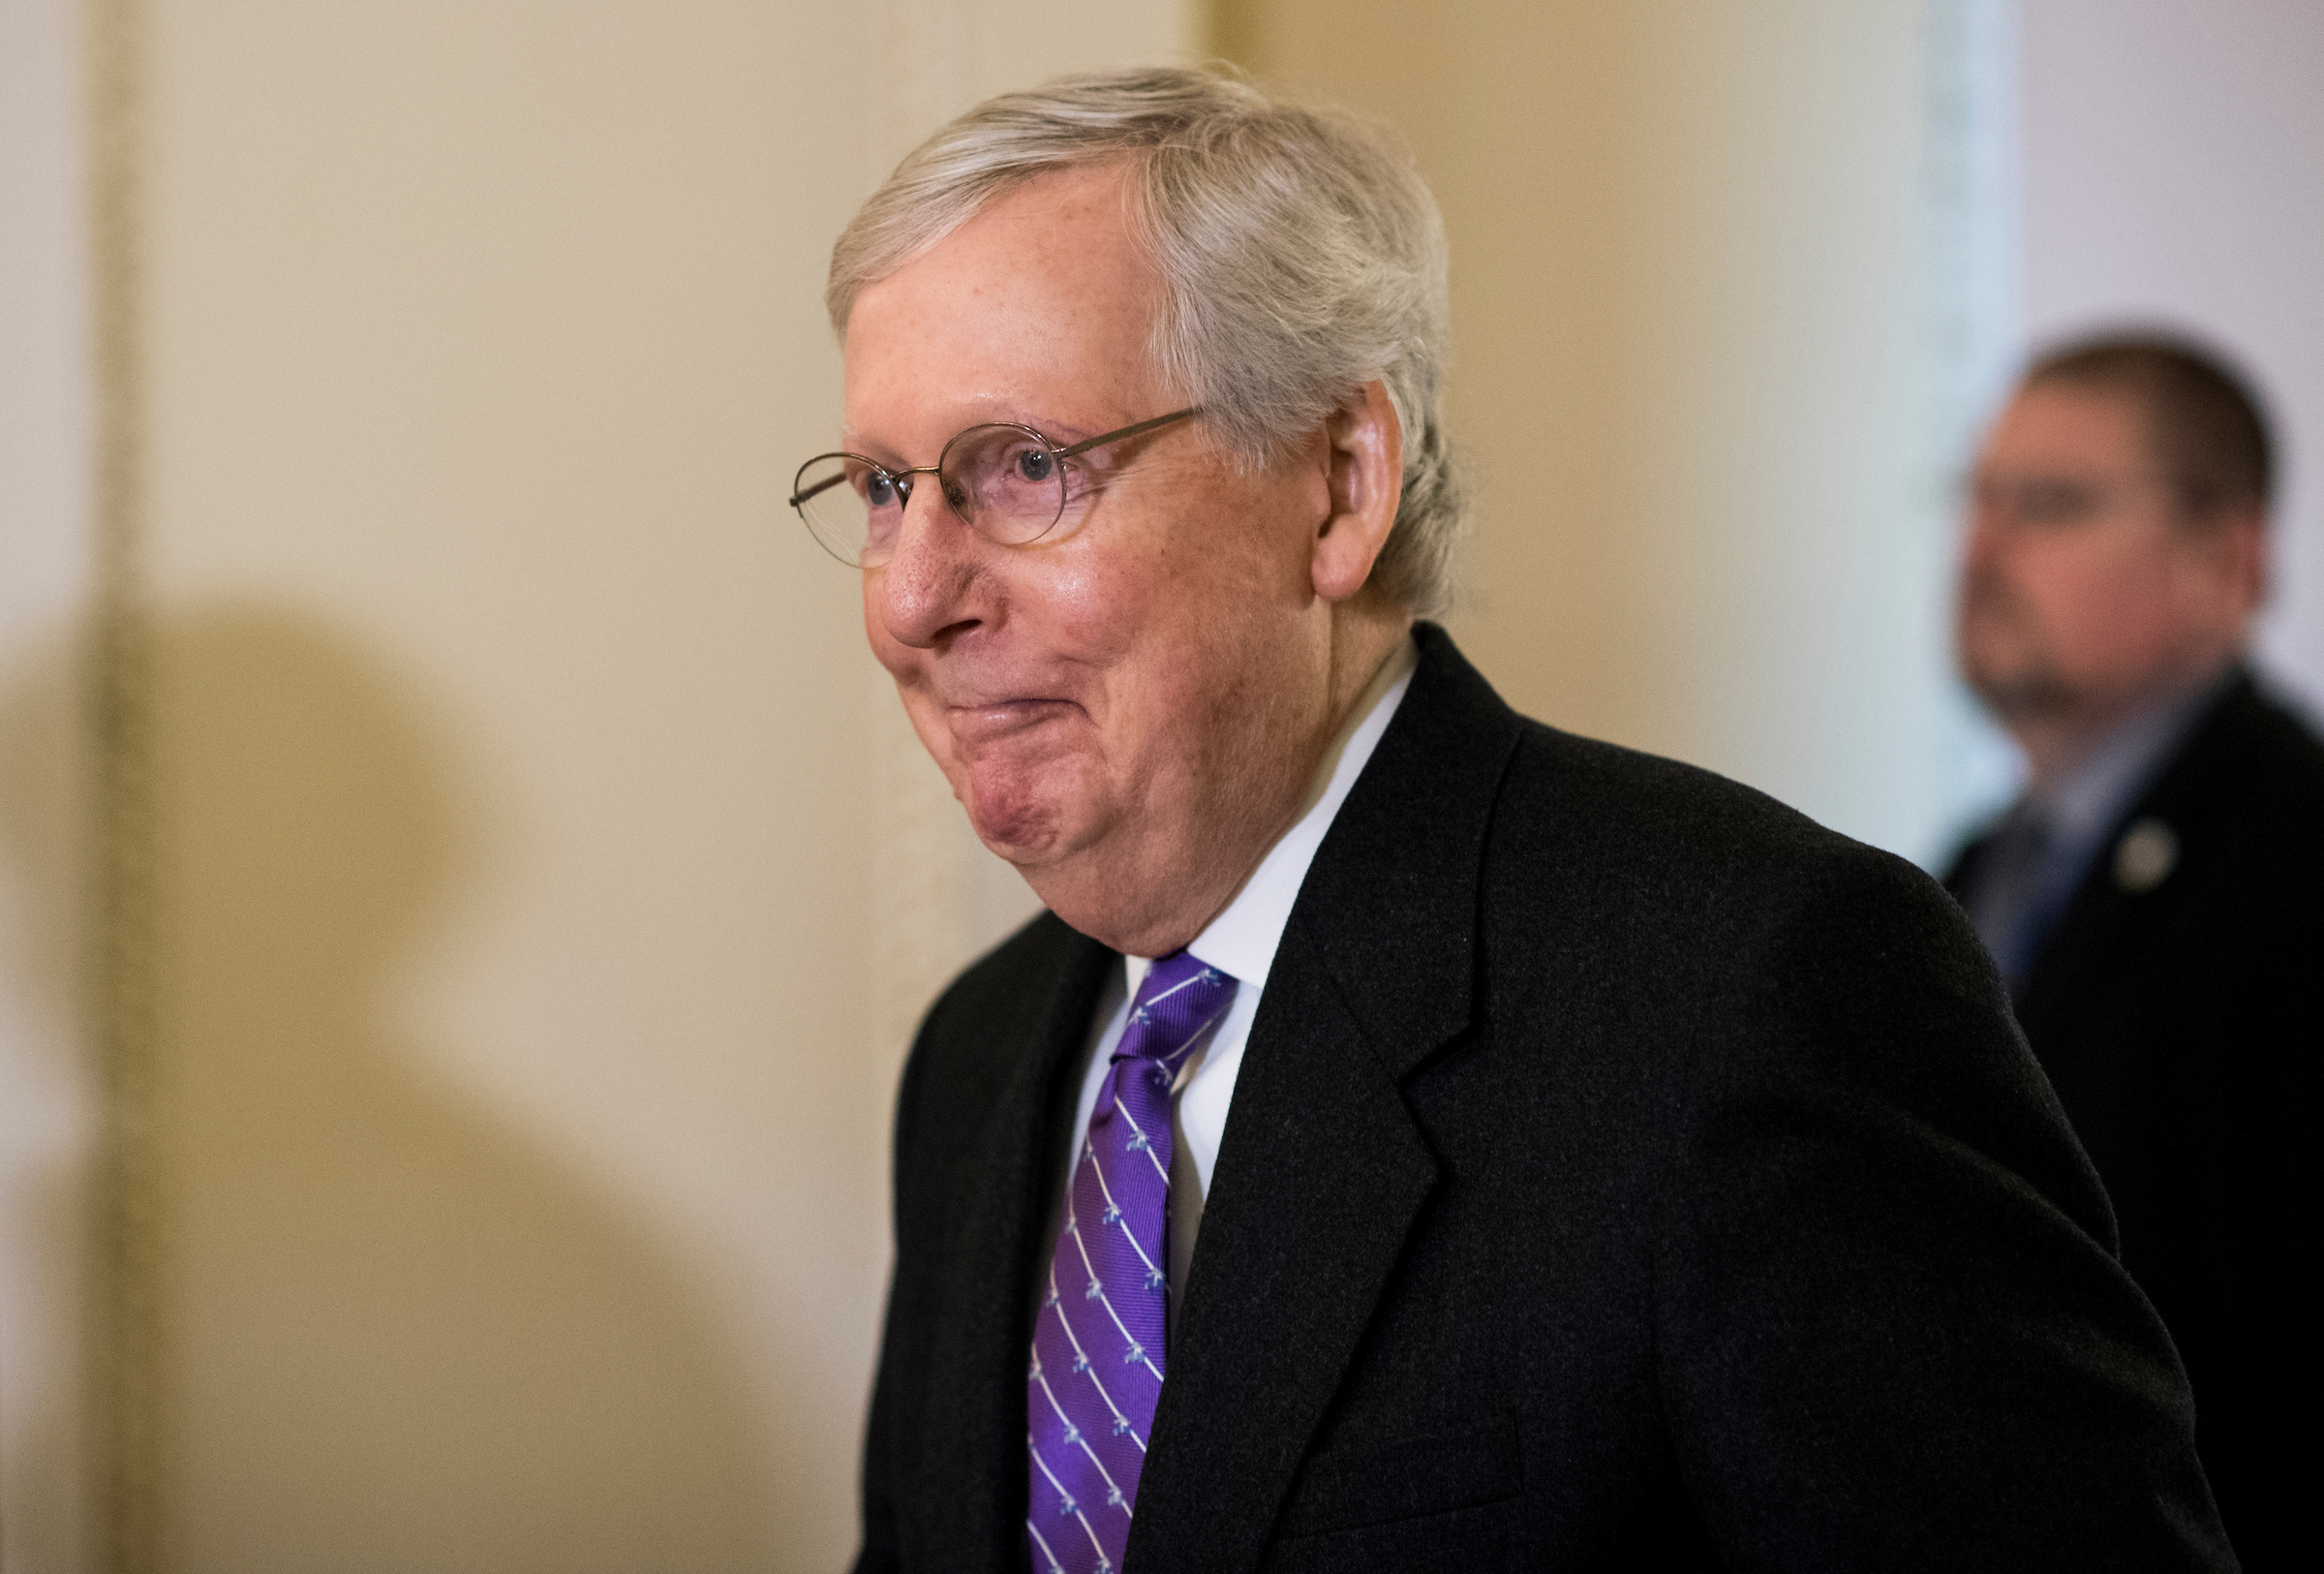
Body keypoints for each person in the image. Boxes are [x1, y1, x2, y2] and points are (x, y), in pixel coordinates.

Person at [807, 69, 2230, 1572]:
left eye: (1026, 467)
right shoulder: (982, 1055)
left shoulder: (1753, 994)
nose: (911, 599)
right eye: (886, 489)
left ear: (1340, 485)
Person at [1945, 334, 2322, 1567]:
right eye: (1977, 497)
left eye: (2048, 505)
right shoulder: (1967, 870)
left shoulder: (2297, 853)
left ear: (2229, 557)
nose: (1983, 550)